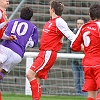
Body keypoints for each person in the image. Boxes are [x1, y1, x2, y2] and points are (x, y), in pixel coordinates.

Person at [26, 0, 75, 100]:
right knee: (36, 78)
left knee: (29, 74)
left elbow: (71, 36)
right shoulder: (51, 22)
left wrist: (83, 45)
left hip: (48, 53)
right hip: (43, 52)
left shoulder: (59, 21)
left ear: (52, 9)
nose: (49, 9)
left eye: (49, 8)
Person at [0, 6, 38, 99]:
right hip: (17, 55)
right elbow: (33, 43)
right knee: (2, 73)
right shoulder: (33, 27)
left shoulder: (12, 22)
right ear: (31, 17)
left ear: (20, 14)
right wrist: (26, 41)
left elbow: (3, 33)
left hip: (6, 48)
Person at [71, 3, 100, 100]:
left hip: (87, 64)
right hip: (98, 63)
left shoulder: (83, 27)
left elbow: (74, 46)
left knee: (91, 95)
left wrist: (86, 49)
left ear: (89, 15)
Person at [70, 17, 86, 95]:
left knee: (84, 80)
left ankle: (85, 96)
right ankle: (78, 95)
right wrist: (70, 56)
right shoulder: (73, 32)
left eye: (81, 23)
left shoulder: (86, 33)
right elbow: (69, 46)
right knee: (76, 80)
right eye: (78, 23)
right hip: (74, 61)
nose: (79, 25)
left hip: (83, 61)